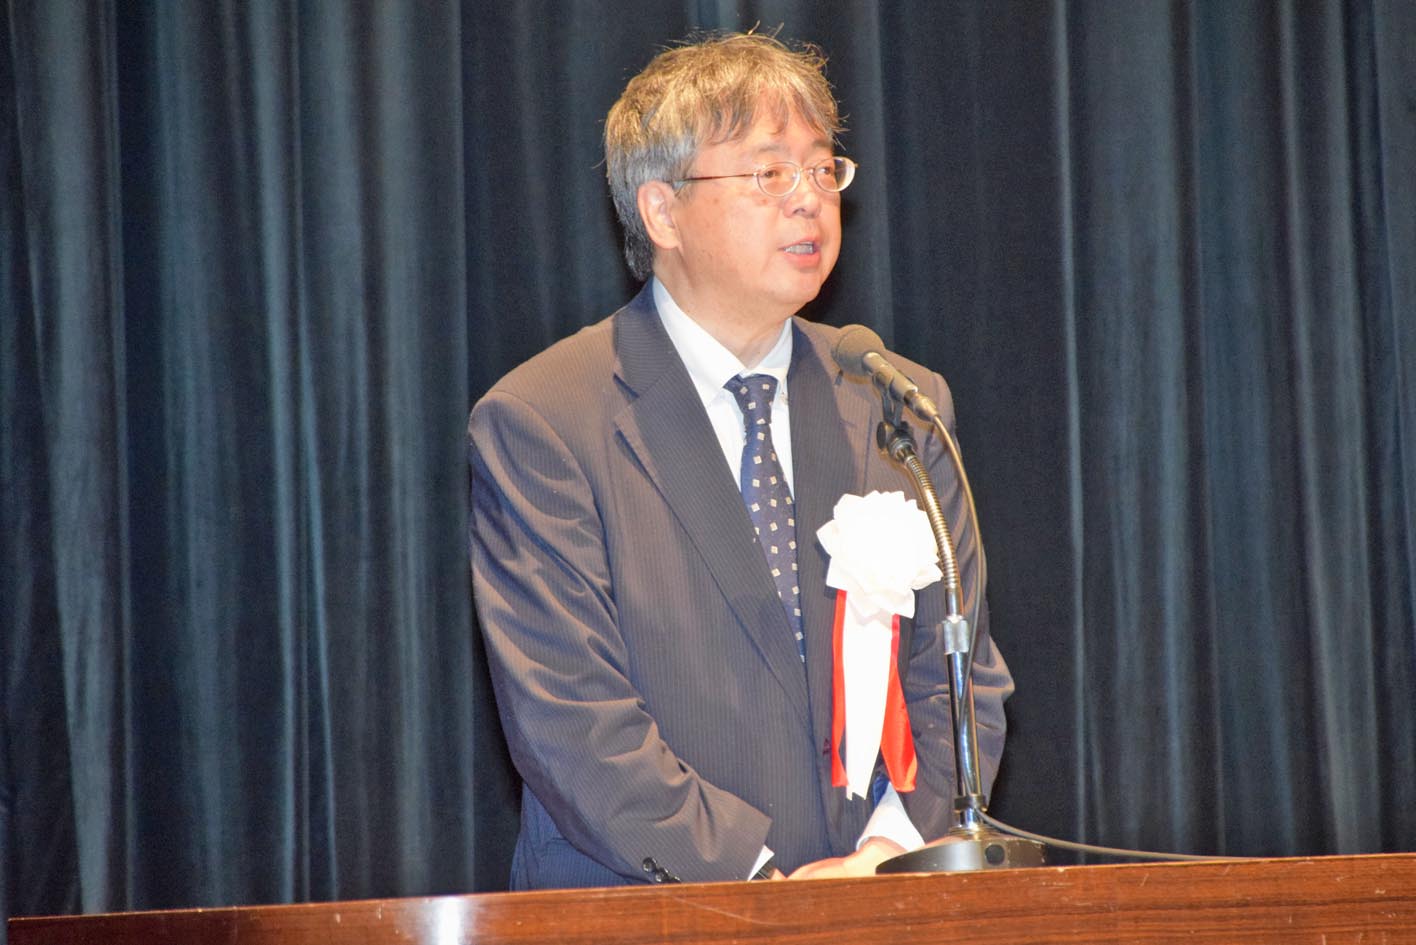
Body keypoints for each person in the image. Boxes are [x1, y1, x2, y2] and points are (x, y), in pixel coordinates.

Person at [467, 31, 1012, 888]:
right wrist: (768, 891)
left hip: (879, 909)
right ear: (662, 212)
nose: (809, 200)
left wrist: (887, 861)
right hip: (648, 917)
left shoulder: (897, 403)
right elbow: (575, 726)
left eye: (822, 169)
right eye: (769, 173)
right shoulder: (545, 421)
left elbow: (959, 675)